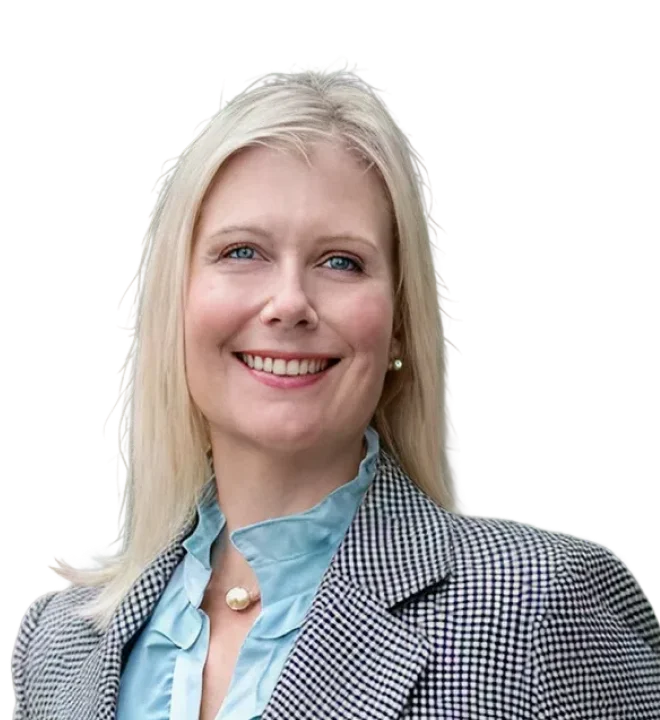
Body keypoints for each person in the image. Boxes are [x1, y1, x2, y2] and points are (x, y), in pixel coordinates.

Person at [9, 57, 659, 720]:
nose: (290, 303)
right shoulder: (57, 642)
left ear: (400, 323)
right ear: (175, 299)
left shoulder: (540, 609)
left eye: (341, 262)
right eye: (242, 252)